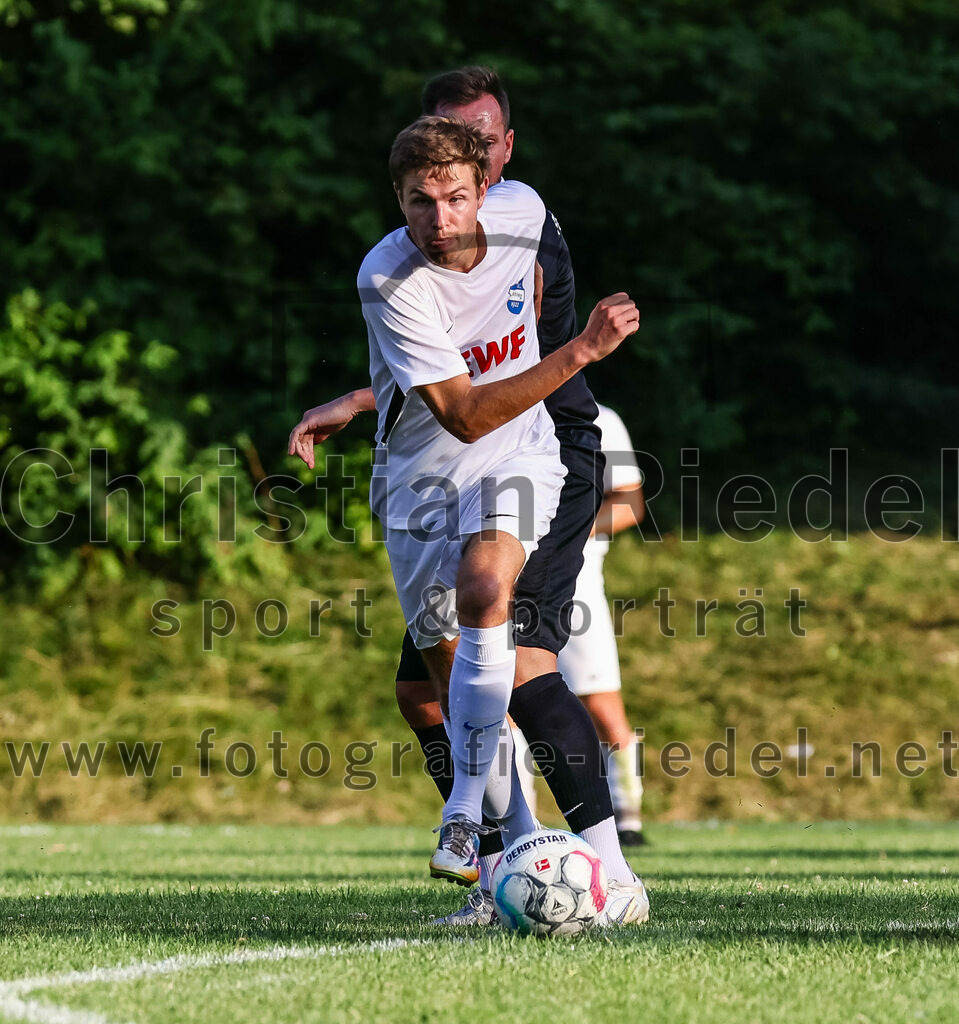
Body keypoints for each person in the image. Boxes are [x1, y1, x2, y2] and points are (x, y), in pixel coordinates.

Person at [289, 68, 649, 927]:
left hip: (527, 451)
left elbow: (515, 364)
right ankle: (503, 865)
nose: (440, 218)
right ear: (400, 199)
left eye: (457, 191)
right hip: (422, 477)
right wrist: (586, 352)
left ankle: (539, 847)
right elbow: (459, 404)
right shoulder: (388, 278)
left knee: (496, 604)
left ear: (491, 175)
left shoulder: (528, 218)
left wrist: (573, 367)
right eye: (420, 200)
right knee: (439, 687)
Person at [558, 403, 647, 846]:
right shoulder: (506, 405)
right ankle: (519, 824)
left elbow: (630, 503)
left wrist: (569, 533)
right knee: (505, 698)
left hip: (576, 577)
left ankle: (627, 815)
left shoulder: (601, 418)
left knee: (601, 703)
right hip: (506, 572)